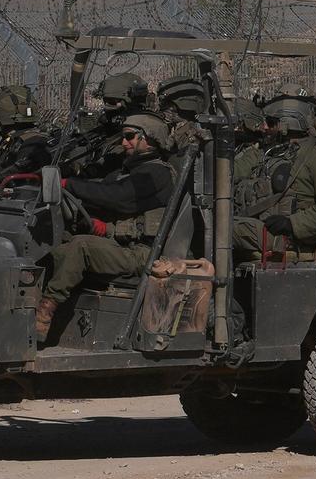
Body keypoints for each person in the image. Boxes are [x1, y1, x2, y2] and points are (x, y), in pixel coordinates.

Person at [36, 112, 177, 343]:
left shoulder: (156, 174)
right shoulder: (128, 171)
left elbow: (117, 197)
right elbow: (104, 193)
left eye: (130, 136)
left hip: (143, 254)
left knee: (81, 246)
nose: (124, 143)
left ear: (149, 139)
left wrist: (69, 185)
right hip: (120, 245)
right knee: (57, 241)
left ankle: (46, 310)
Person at [233, 87, 316, 263]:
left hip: (291, 237)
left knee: (226, 230)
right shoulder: (269, 150)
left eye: (270, 123)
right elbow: (233, 173)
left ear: (287, 123)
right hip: (265, 227)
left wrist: (292, 224)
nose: (263, 127)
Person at [61, 72, 151, 177]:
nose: (107, 107)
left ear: (130, 102)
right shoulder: (106, 125)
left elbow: (112, 162)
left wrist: (81, 171)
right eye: (106, 101)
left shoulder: (144, 131)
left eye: (112, 101)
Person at [155, 75, 209, 153]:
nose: (161, 109)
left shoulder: (188, 133)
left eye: (167, 105)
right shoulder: (179, 128)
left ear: (183, 106)